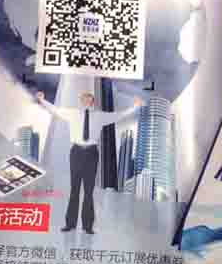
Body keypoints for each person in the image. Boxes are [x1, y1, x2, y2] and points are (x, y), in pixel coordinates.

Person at [31, 90, 143, 234]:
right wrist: (42, 100)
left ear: (92, 102)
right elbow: (55, 110)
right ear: (81, 101)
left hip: (91, 154)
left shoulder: (100, 116)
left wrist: (135, 106)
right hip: (76, 152)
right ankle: (70, 224)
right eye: (84, 99)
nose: (86, 102)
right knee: (74, 190)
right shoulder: (72, 114)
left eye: (89, 100)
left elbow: (119, 115)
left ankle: (88, 226)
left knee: (89, 191)